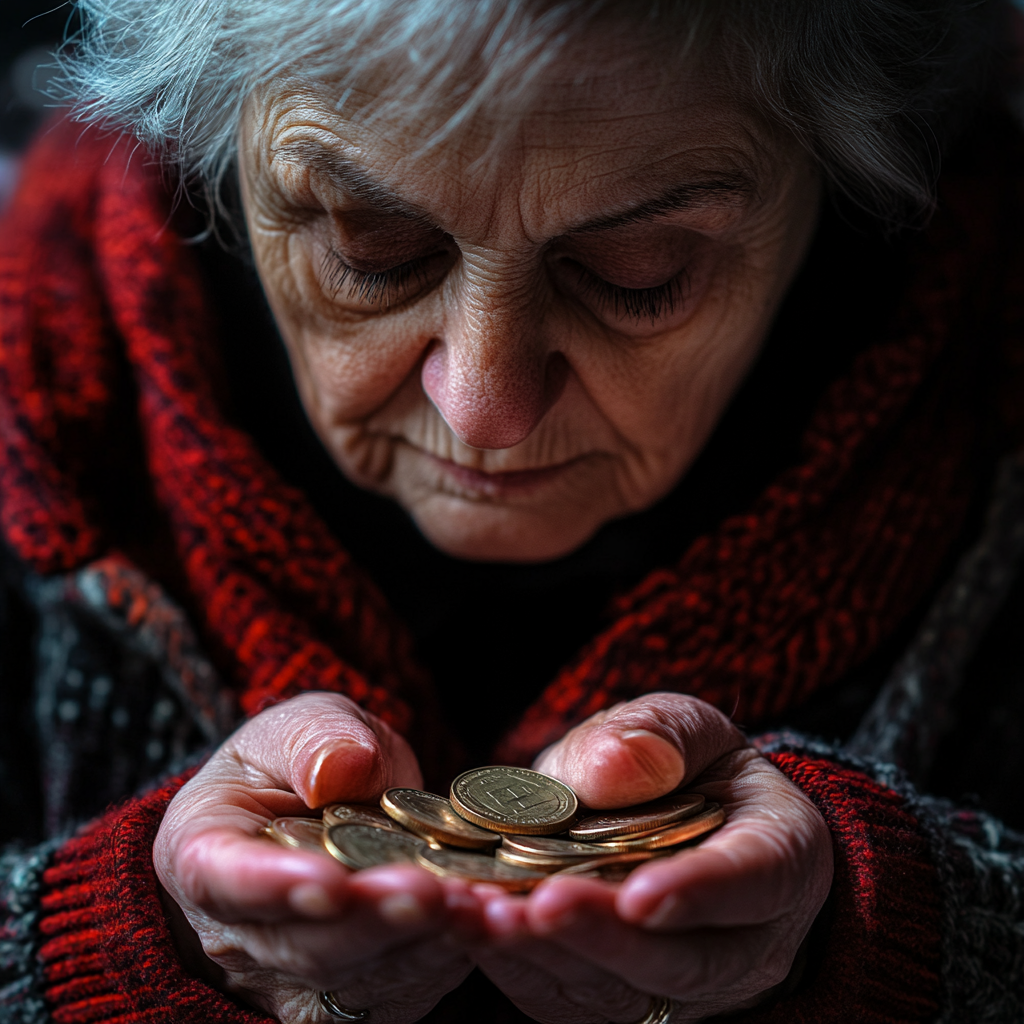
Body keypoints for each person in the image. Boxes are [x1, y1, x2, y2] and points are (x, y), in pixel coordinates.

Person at [2, 0, 1024, 1021]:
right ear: (216, 139)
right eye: (376, 250)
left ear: (843, 163)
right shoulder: (39, 411)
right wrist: (113, 938)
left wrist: (893, 923)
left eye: (639, 273)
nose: (486, 410)